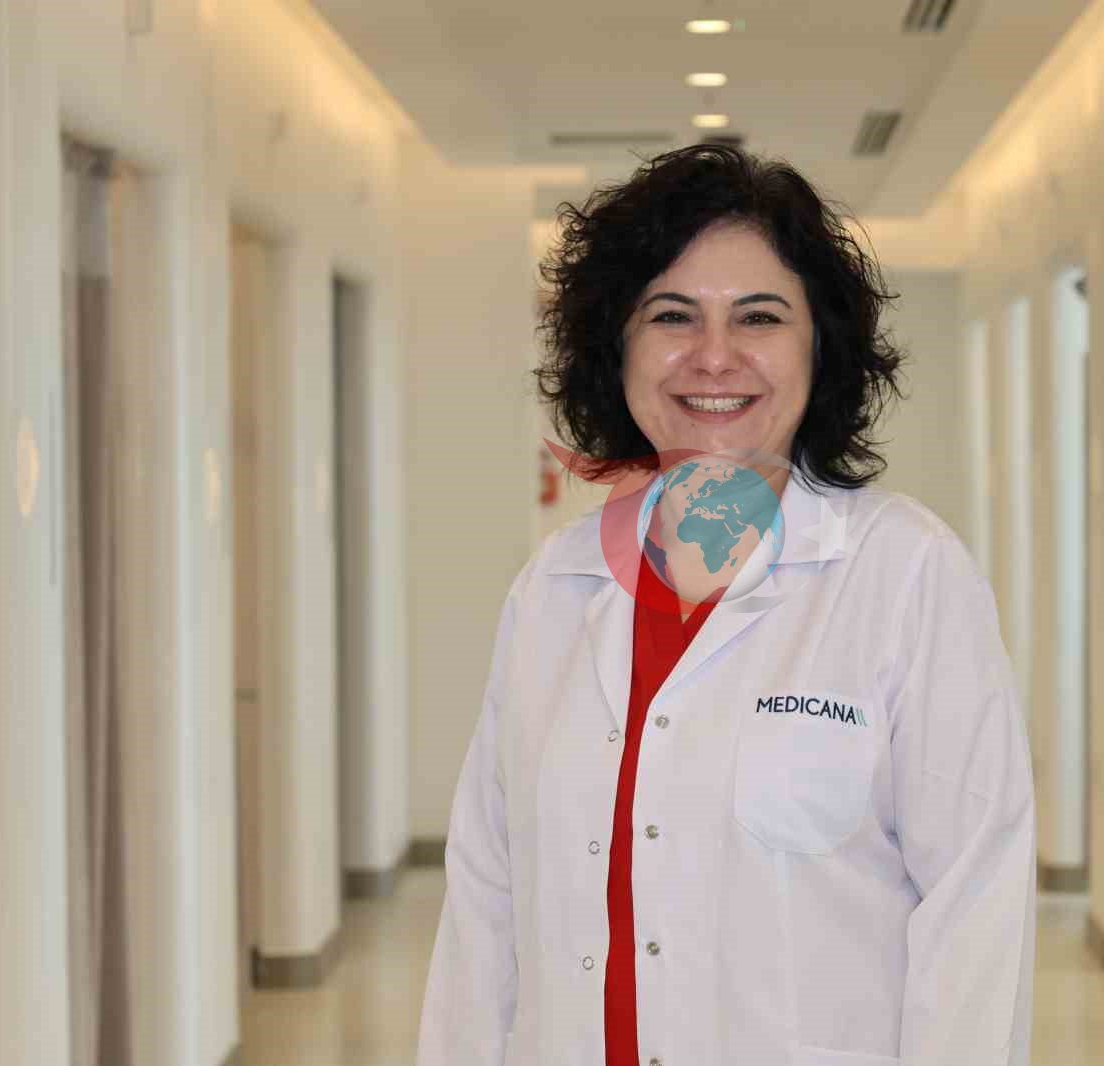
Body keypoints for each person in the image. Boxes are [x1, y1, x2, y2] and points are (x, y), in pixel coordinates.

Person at [417, 144, 1035, 1066]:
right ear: (616, 347)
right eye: (672, 315)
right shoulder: (554, 587)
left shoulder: (907, 574)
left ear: (819, 347)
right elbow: (484, 898)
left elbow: (975, 916)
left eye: (759, 317)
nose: (714, 356)